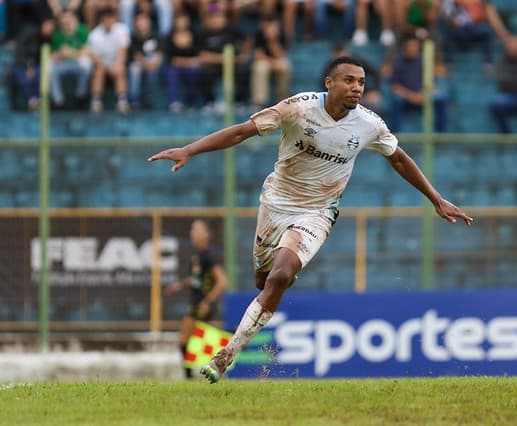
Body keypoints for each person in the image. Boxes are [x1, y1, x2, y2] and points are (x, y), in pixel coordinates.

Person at [148, 56, 473, 383]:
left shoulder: (369, 124)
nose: (356, 88)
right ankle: (278, 274)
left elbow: (399, 159)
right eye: (349, 80)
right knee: (263, 280)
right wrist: (190, 149)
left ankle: (226, 356)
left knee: (280, 276)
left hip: (318, 211)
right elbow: (241, 132)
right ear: (328, 83)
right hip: (275, 203)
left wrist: (436, 199)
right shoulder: (298, 108)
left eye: (361, 82)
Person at [164, 219, 227, 379]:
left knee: (186, 339)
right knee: (192, 339)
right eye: (192, 229)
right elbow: (195, 278)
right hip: (196, 302)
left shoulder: (208, 256)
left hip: (201, 304)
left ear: (207, 235)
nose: (193, 233)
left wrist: (207, 302)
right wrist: (179, 286)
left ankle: (189, 377)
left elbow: (222, 282)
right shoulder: (197, 256)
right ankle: (191, 375)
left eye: (197, 229)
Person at [389, 35, 448, 132]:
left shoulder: (425, 61)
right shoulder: (398, 62)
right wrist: (411, 96)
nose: (411, 48)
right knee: (397, 99)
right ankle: (395, 135)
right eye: (409, 46)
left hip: (424, 95)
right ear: (404, 47)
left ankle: (440, 134)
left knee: (442, 97)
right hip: (406, 96)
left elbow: (433, 84)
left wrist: (423, 95)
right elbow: (395, 86)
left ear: (418, 47)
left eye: (414, 45)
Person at [88, 7, 131, 113]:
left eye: (110, 18)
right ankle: (96, 102)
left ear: (115, 19)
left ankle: (122, 102)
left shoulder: (122, 29)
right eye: (106, 18)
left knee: (120, 69)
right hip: (101, 64)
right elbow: (95, 56)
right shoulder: (94, 34)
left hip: (116, 62)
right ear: (101, 20)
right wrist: (106, 67)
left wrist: (117, 65)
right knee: (98, 71)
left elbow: (122, 51)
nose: (108, 21)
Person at [50, 10, 93, 108]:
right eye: (64, 18)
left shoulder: (83, 30)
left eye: (69, 17)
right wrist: (63, 54)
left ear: (75, 19)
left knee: (87, 63)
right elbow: (55, 55)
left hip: (78, 64)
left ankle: (81, 95)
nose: (66, 20)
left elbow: (86, 52)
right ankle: (57, 101)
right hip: (64, 64)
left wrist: (69, 52)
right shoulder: (57, 33)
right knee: (50, 66)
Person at [127, 12, 163, 109]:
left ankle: (148, 96)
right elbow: (136, 56)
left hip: (151, 63)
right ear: (135, 23)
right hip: (138, 63)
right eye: (139, 20)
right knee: (134, 69)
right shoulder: (132, 37)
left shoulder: (155, 36)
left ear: (149, 22)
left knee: (154, 69)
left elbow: (159, 54)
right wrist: (147, 64)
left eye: (144, 20)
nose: (142, 23)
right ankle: (134, 99)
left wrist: (155, 64)